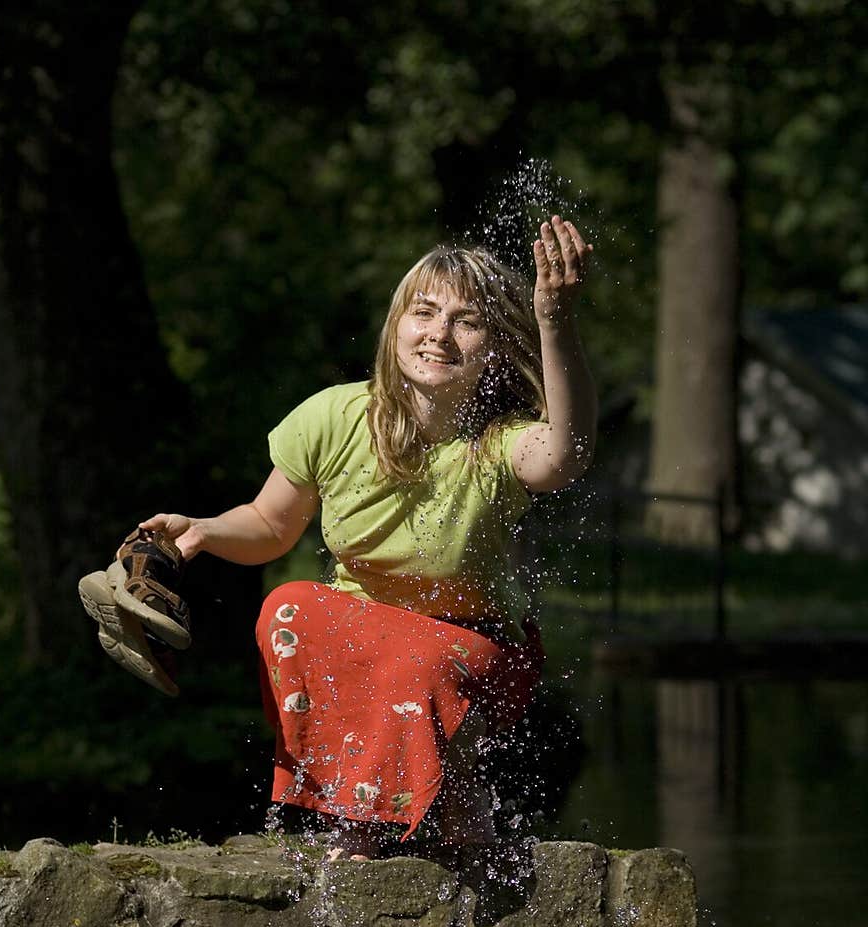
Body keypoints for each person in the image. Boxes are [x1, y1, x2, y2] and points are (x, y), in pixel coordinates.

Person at [138, 214, 597, 860]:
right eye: (424, 312)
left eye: (466, 320)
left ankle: (430, 805)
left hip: (476, 654)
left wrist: (557, 321)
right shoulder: (333, 415)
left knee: (418, 661)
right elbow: (271, 525)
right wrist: (206, 530)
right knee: (288, 607)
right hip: (374, 647)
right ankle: (361, 812)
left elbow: (568, 453)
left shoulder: (499, 444)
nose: (439, 333)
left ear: (494, 346)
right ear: (395, 326)